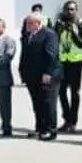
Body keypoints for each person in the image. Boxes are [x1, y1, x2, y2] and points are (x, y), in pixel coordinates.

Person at [19, 13, 60, 141]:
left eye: (30, 23)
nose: (27, 26)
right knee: (37, 103)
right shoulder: (27, 36)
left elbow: (51, 55)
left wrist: (47, 73)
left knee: (48, 103)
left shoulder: (49, 34)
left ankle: (51, 130)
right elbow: (25, 55)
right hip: (32, 76)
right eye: (27, 23)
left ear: (37, 23)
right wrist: (22, 71)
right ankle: (40, 129)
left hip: (47, 75)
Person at [54, 0, 82, 132]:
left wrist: (73, 31)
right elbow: (55, 40)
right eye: (67, 9)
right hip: (63, 62)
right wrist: (60, 28)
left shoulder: (81, 23)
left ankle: (73, 121)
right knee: (61, 92)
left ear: (76, 10)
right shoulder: (59, 23)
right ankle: (67, 118)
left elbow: (81, 43)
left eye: (72, 9)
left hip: (76, 62)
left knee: (75, 93)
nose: (69, 11)